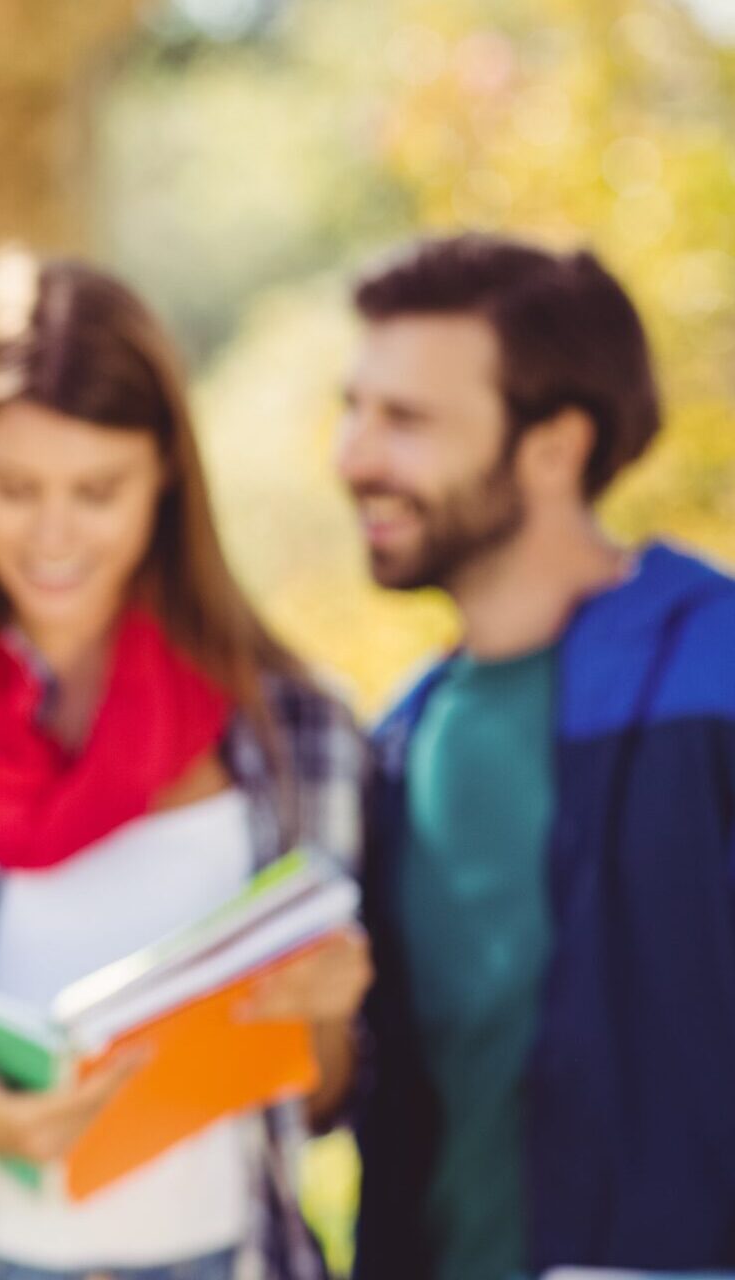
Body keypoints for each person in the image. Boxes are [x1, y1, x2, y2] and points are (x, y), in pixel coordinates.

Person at [0, 249, 369, 1280]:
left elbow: (321, 1103)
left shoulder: (293, 725)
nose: (52, 534)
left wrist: (324, 1011)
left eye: (97, 490)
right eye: (12, 486)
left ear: (166, 476)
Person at [338, 233, 735, 1277]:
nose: (355, 456)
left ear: (553, 445)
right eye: (355, 408)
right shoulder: (394, 740)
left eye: (406, 420)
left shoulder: (716, 675)